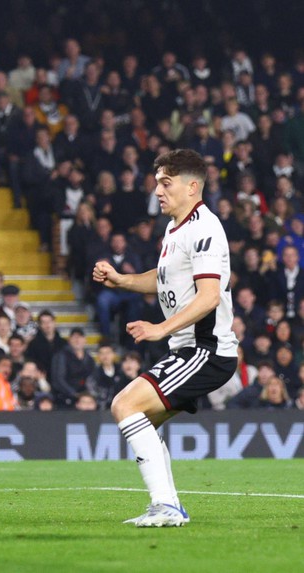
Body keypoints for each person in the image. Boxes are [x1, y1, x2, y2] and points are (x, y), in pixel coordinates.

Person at [92, 149, 238, 527]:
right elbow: (162, 279)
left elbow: (209, 296)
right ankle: (168, 505)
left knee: (125, 405)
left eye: (165, 183)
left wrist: (160, 328)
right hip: (188, 348)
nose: (157, 190)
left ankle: (166, 506)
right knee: (140, 420)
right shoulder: (176, 228)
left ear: (192, 187)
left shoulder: (204, 228)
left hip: (206, 350)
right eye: (157, 182)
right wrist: (122, 280)